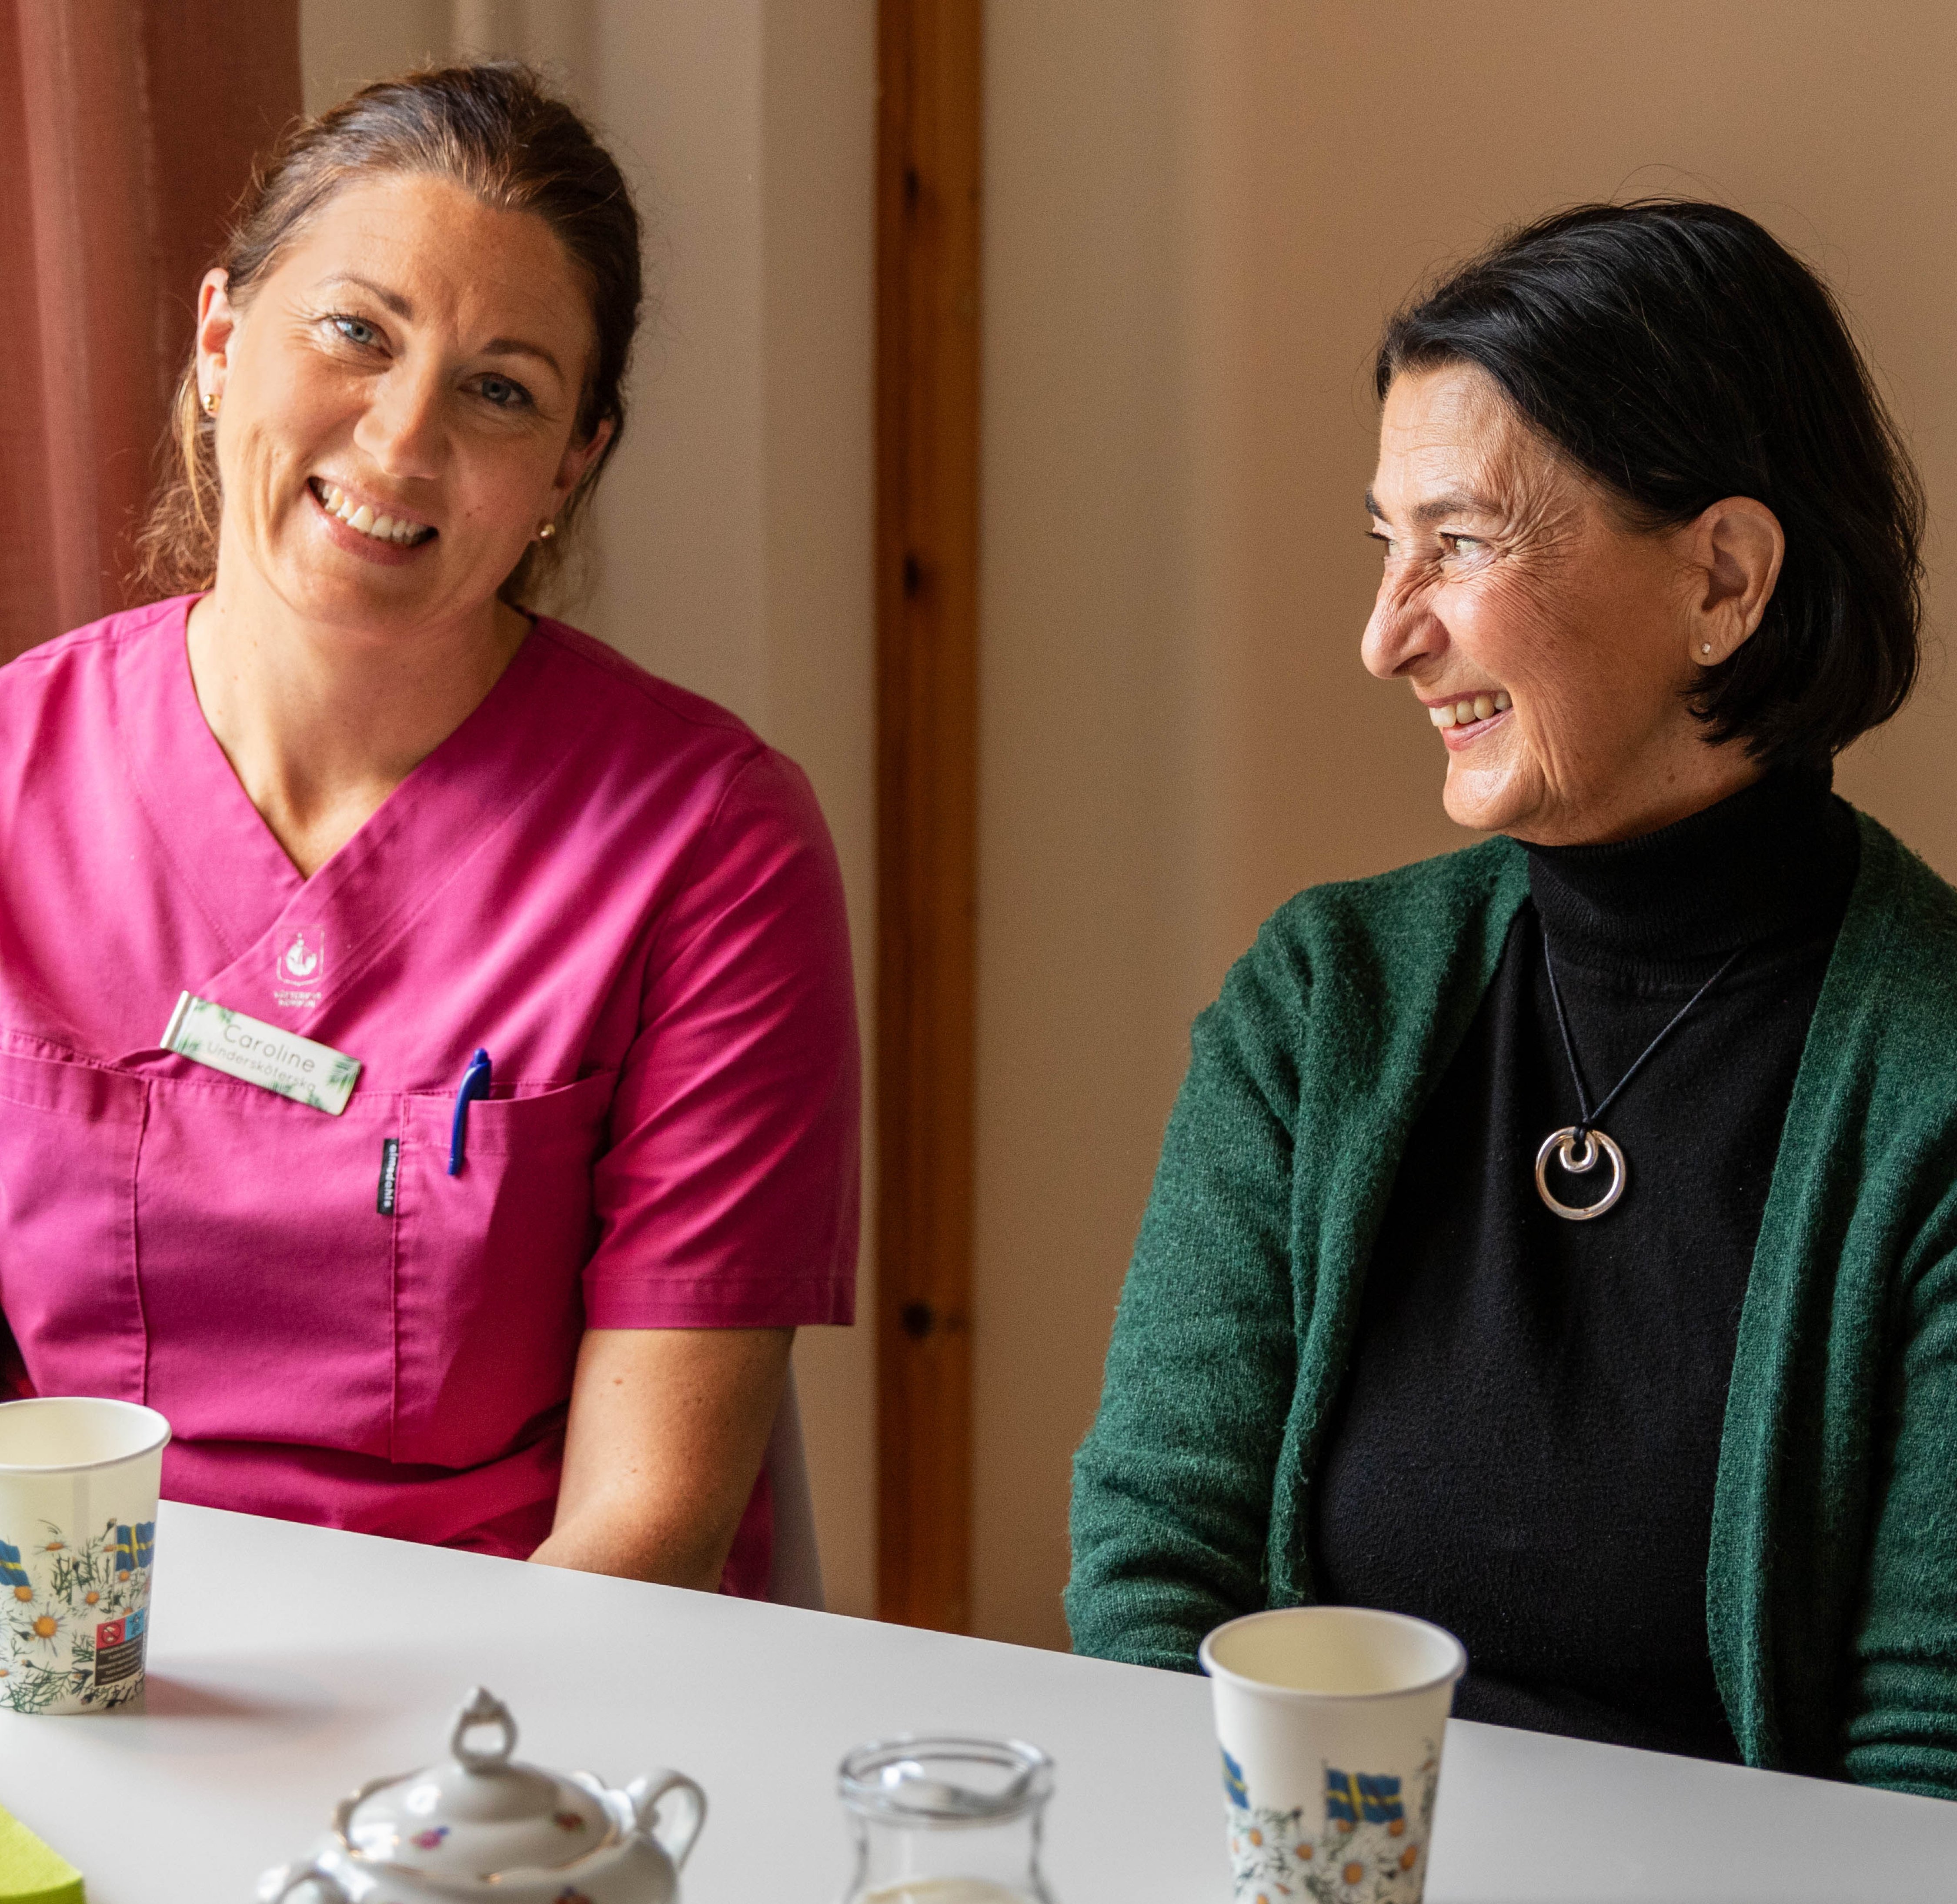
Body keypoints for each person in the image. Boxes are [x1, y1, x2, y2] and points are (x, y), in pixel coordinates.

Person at [1067, 201, 1957, 1797]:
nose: (1383, 635)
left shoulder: (1936, 1078)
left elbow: (1926, 1756)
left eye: (1460, 542)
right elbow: (1153, 1581)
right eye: (1382, 543)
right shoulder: (1315, 1003)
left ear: (1724, 581)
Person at [0, 64, 858, 1600]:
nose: (400, 444)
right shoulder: (11, 775)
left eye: (501, 389)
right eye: (357, 333)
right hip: (70, 1661)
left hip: (509, 1730)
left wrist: (426, 1813)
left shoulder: (710, 849)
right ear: (217, 342)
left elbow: (645, 1525)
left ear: (569, 468)